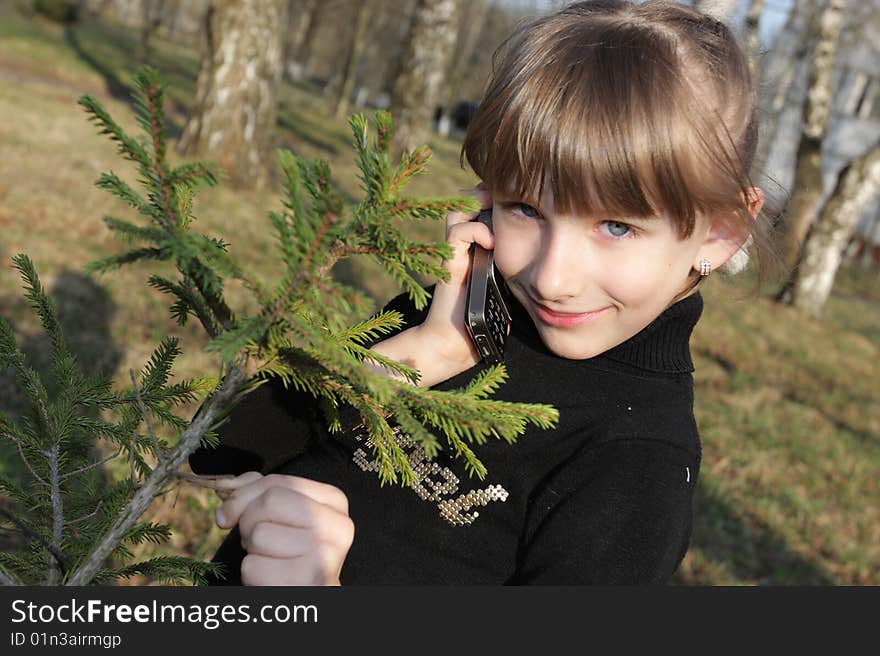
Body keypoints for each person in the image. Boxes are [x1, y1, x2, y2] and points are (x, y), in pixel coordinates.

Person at [189, 0, 776, 585]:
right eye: (526, 208)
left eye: (616, 226)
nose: (552, 279)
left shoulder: (637, 461)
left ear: (721, 230)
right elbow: (216, 449)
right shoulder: (451, 313)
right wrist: (427, 352)